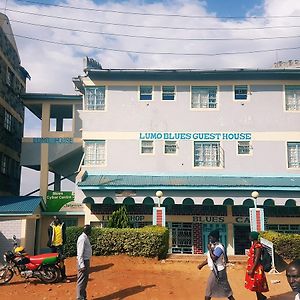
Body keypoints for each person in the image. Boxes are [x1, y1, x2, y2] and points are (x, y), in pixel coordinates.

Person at [198, 229, 235, 300]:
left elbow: (214, 258)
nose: (210, 239)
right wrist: (201, 265)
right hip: (216, 271)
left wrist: (209, 249)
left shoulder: (219, 247)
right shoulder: (214, 246)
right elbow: (209, 259)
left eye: (211, 237)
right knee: (226, 291)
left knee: (209, 291)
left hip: (218, 272)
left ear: (215, 238)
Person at [245, 231, 269, 300]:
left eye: (250, 236)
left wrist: (252, 269)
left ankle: (261, 298)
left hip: (256, 268)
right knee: (255, 285)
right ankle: (261, 297)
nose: (249, 237)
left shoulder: (258, 246)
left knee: (257, 284)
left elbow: (257, 259)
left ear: (253, 237)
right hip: (253, 267)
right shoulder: (254, 245)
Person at [47, 215, 68, 282]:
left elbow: (64, 234)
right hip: (53, 246)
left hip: (60, 246)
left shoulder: (62, 226)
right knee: (52, 261)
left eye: (57, 219)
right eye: (55, 219)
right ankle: (53, 276)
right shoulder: (50, 227)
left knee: (61, 261)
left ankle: (63, 277)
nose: (56, 220)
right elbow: (49, 234)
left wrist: (63, 242)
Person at [77, 224, 92, 300]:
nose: (91, 231)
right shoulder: (82, 239)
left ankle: (83, 297)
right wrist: (82, 265)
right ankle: (79, 297)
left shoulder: (85, 237)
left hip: (86, 261)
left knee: (85, 280)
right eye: (90, 230)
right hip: (83, 262)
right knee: (81, 281)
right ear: (87, 230)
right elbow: (80, 254)